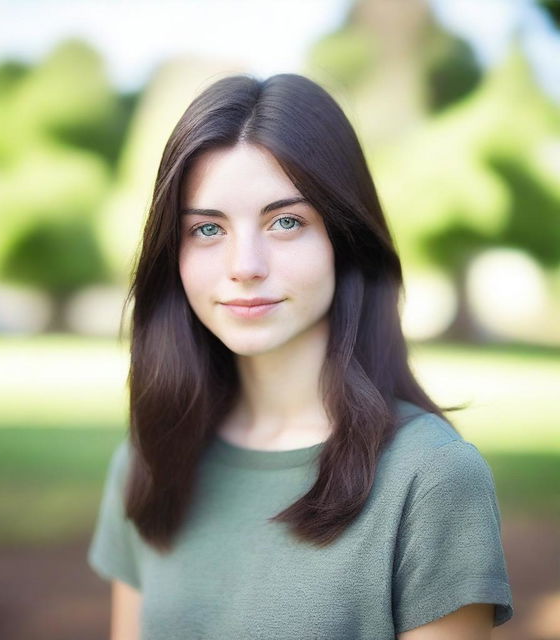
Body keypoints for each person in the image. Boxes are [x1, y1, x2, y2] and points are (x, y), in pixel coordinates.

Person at [87, 73, 513, 639]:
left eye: (286, 221)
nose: (245, 265)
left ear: (344, 238)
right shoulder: (150, 458)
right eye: (208, 229)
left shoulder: (431, 478)